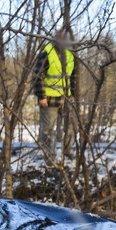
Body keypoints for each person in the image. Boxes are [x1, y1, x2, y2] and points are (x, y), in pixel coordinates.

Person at [33, 28, 78, 160]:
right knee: (48, 131)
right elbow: (37, 76)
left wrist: (73, 94)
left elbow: (73, 77)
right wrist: (41, 96)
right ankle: (50, 157)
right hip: (49, 99)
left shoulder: (70, 55)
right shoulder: (47, 53)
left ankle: (68, 151)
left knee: (71, 125)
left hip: (66, 99)